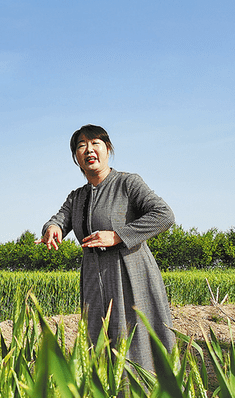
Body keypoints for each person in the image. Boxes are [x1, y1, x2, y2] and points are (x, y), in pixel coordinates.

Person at [41, 124, 175, 373]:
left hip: (130, 275)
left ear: (108, 149)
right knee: (100, 344)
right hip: (94, 280)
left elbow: (164, 215)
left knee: (136, 340)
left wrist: (118, 235)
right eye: (81, 146)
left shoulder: (127, 183)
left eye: (95, 143)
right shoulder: (77, 196)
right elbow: (59, 219)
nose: (88, 150)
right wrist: (52, 228)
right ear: (76, 158)